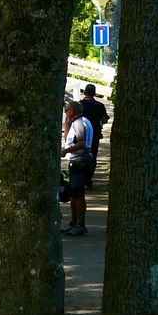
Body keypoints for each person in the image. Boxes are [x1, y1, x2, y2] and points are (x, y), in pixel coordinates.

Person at [62, 101, 94, 236]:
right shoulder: (78, 122)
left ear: (73, 110)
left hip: (80, 161)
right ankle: (74, 223)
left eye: (67, 110)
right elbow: (68, 139)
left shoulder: (79, 123)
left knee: (78, 194)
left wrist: (66, 150)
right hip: (78, 161)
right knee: (74, 194)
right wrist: (66, 124)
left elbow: (81, 143)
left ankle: (80, 225)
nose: (65, 112)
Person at [78, 83, 109, 168]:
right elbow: (105, 119)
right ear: (94, 93)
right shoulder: (100, 106)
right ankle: (89, 176)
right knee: (92, 155)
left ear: (84, 92)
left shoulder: (79, 105)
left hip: (80, 133)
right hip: (95, 134)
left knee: (79, 155)